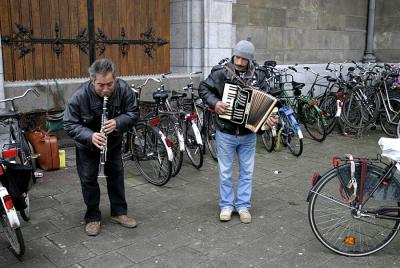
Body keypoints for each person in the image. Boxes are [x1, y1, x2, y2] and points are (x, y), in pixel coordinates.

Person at [199, 40, 279, 224]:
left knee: (247, 172)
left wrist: (270, 116)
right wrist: (214, 103)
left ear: (250, 59)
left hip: (248, 134)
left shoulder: (258, 75)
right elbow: (204, 88)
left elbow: (269, 100)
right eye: (237, 57)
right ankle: (226, 205)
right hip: (226, 132)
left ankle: (243, 206)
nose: (240, 62)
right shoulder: (221, 72)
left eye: (244, 59)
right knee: (225, 171)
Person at [64, 58, 139, 236]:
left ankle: (119, 213)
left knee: (117, 177)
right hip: (87, 146)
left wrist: (119, 122)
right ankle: (92, 217)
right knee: (88, 180)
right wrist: (90, 136)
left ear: (116, 79)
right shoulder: (79, 96)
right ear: (92, 80)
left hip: (112, 144)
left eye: (110, 84)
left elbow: (134, 113)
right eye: (100, 85)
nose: (106, 89)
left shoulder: (122, 89)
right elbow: (68, 123)